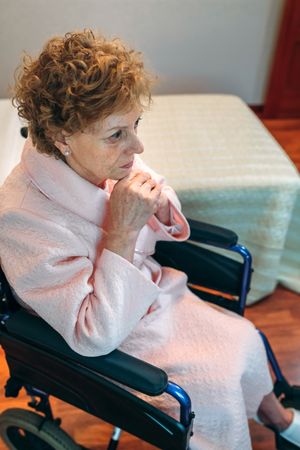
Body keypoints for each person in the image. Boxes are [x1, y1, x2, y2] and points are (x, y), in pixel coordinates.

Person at [0, 29, 299, 450]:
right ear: (62, 137)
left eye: (135, 125)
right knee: (213, 394)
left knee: (247, 339)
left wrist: (155, 205)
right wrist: (120, 232)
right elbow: (91, 334)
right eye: (117, 134)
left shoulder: (100, 154)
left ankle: (282, 420)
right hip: (113, 344)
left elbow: (155, 191)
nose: (137, 145)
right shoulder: (21, 219)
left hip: (156, 297)